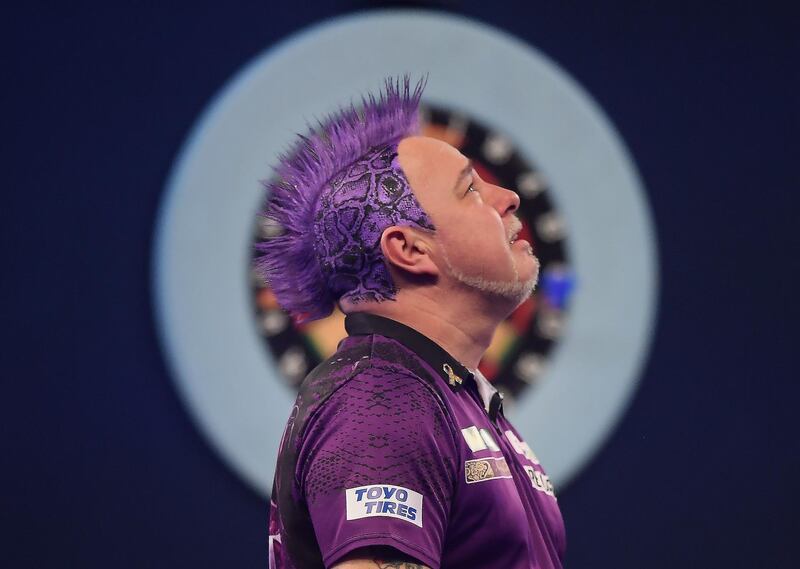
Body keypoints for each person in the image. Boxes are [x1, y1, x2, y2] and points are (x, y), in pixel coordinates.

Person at [256, 77, 565, 569]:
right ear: (411, 249)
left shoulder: (447, 396)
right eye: (472, 191)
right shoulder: (382, 400)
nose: (508, 196)